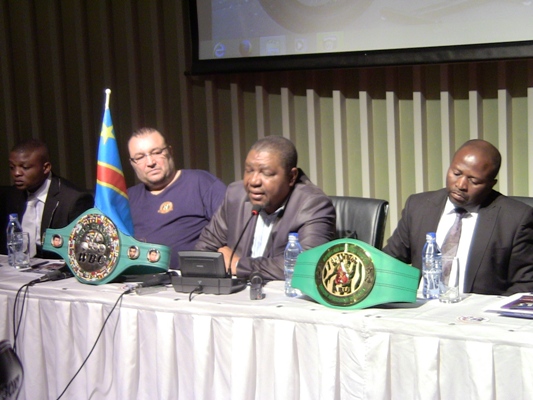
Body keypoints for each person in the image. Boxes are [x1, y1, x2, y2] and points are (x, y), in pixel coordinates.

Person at [383, 139, 533, 296]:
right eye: (456, 173)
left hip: (478, 315)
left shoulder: (515, 219)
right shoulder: (419, 206)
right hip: (420, 309)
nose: (461, 184)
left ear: (491, 184)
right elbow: (388, 263)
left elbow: (525, 285)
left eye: (473, 180)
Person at [195, 135, 336, 280]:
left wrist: (238, 264)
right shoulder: (235, 195)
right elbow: (203, 250)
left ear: (292, 177)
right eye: (249, 170)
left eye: (266, 173)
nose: (253, 181)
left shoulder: (314, 204)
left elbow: (307, 266)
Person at [127, 127, 226, 269]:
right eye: (140, 157)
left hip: (189, 281)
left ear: (170, 152)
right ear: (133, 163)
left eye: (156, 152)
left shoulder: (201, 183)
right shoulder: (127, 198)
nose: (150, 162)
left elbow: (234, 232)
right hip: (139, 281)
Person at [3, 138, 94, 257]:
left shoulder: (73, 199)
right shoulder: (10, 196)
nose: (16, 173)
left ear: (45, 168)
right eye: (12, 167)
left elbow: (82, 251)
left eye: (24, 167)